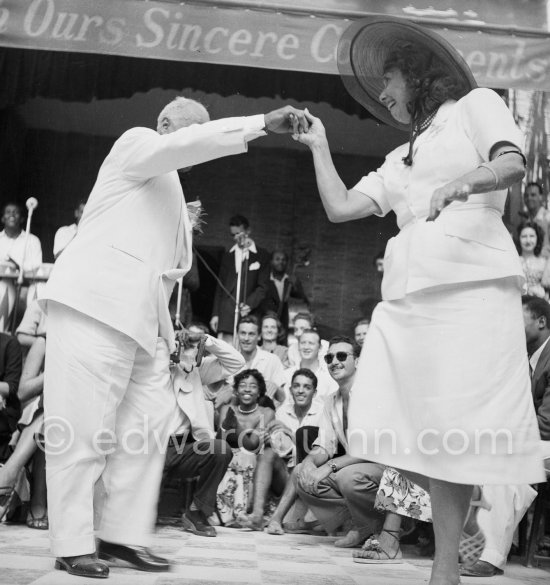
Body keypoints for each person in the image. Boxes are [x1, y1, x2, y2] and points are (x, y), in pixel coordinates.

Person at [294, 16, 544, 585]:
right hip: (409, 300)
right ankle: (454, 545)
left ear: (417, 73)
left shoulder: (474, 106)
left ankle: (444, 569)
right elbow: (340, 207)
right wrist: (319, 145)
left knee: (454, 432)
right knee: (410, 428)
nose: (382, 93)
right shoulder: (399, 155)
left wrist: (462, 184)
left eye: (389, 78)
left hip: (471, 288)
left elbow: (511, 163)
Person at [39, 97, 309, 578]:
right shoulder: (136, 143)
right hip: (93, 307)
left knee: (147, 429)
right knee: (82, 432)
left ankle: (120, 536)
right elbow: (186, 146)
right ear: (166, 125)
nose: (196, 142)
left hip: (143, 328)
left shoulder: (174, 197)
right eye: (191, 131)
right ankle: (72, 543)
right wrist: (257, 124)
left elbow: (163, 278)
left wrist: (168, 340)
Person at [295, 336, 385, 548]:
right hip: (358, 469)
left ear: (358, 361)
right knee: (300, 472)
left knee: (347, 477)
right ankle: (364, 524)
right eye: (329, 357)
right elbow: (324, 446)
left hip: (389, 470)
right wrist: (309, 463)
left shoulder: (371, 394)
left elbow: (367, 448)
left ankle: (383, 525)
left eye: (342, 356)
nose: (334, 361)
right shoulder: (331, 400)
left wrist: (327, 467)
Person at [163, 329, 244, 538]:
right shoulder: (152, 367)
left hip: (182, 447)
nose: (186, 348)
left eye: (192, 344)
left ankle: (196, 512)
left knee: (220, 450)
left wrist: (206, 340)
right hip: (149, 445)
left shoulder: (197, 371)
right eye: (184, 342)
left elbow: (236, 362)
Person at [265, 368, 324, 535]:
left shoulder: (322, 412)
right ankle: (261, 515)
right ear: (290, 389)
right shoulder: (283, 411)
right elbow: (278, 446)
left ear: (315, 392)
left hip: (312, 475)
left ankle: (279, 518)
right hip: (287, 473)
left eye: (307, 387)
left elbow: (320, 449)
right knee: (268, 453)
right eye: (296, 386)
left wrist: (291, 434)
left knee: (303, 436)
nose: (300, 390)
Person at [216, 369, 275, 527]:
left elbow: (254, 444)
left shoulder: (266, 412)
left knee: (246, 456)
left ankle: (242, 512)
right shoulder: (226, 409)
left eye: (253, 386)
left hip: (252, 462)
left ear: (259, 392)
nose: (247, 389)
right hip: (226, 458)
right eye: (243, 385)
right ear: (236, 390)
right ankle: (223, 511)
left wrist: (234, 426)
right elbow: (222, 441)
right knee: (222, 453)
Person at [210, 215, 270, 343]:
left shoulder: (262, 255)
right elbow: (220, 288)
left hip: (249, 315)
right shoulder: (228, 256)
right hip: (226, 315)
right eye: (233, 235)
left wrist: (249, 304)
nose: (236, 238)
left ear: (248, 231)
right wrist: (215, 314)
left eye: (239, 233)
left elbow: (263, 287)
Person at [0, 202, 43, 332]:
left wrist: (18, 267)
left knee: (40, 288)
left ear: (22, 219)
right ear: (2, 218)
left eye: (15, 212)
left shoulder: (32, 240)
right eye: (8, 212)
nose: (12, 214)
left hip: (24, 289)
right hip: (2, 286)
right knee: (4, 285)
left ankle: (30, 335)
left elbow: (37, 271)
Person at [260, 250, 309, 337]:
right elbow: (260, 302)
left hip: (284, 327)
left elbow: (302, 299)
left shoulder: (290, 281)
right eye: (277, 259)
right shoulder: (264, 280)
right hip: (267, 324)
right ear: (271, 262)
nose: (281, 262)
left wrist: (296, 284)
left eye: (283, 260)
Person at [282, 329, 337, 400]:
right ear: (298, 346)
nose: (306, 347)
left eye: (311, 343)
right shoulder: (286, 375)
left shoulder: (330, 375)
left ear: (320, 347)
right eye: (303, 343)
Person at [516, 221, 549, 298]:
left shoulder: (544, 263)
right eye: (524, 236)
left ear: (537, 238)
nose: (528, 240)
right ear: (518, 238)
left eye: (532, 236)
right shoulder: (514, 261)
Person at [520, 182, 550, 257]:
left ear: (541, 197)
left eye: (533, 195)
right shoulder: (526, 221)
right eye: (526, 195)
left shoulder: (548, 217)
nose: (529, 198)